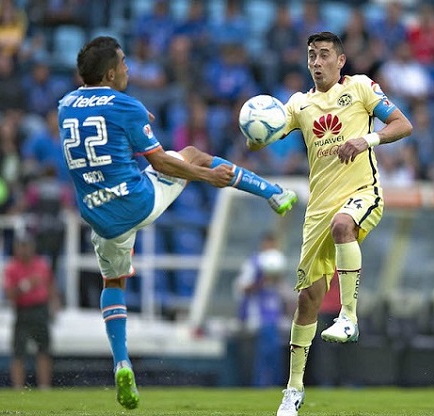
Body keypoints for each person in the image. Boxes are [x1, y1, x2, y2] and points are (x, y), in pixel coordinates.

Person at [57, 36, 297, 410]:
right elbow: (162, 165)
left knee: (113, 281)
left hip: (97, 213)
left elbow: (100, 114)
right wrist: (204, 177)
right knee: (194, 155)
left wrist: (134, 118)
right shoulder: (127, 107)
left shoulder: (65, 105)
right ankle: (273, 192)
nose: (128, 69)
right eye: (122, 63)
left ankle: (121, 362)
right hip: (136, 202)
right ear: (109, 72)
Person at [246, 32, 412, 416]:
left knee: (343, 226)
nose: (316, 62)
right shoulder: (299, 103)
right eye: (311, 56)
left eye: (324, 55)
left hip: (362, 192)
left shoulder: (361, 88)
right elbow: (264, 136)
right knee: (306, 300)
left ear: (340, 61)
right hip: (315, 211)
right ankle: (293, 390)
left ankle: (349, 316)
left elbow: (403, 125)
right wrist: (253, 128)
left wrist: (366, 139)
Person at [233, 232, 291, 387]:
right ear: (263, 244)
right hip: (259, 314)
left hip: (275, 315)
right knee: (265, 351)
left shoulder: (279, 262)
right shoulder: (254, 263)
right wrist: (261, 282)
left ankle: (274, 384)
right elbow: (242, 287)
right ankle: (261, 384)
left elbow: (284, 292)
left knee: (276, 352)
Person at [3, 235, 60, 389]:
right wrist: (26, 285)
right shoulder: (11, 267)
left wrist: (54, 305)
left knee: (44, 350)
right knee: (18, 352)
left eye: (26, 246)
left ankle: (44, 387)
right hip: (23, 310)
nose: (24, 250)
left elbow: (51, 285)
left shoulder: (41, 264)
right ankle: (18, 388)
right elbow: (8, 294)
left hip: (40, 309)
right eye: (21, 246)